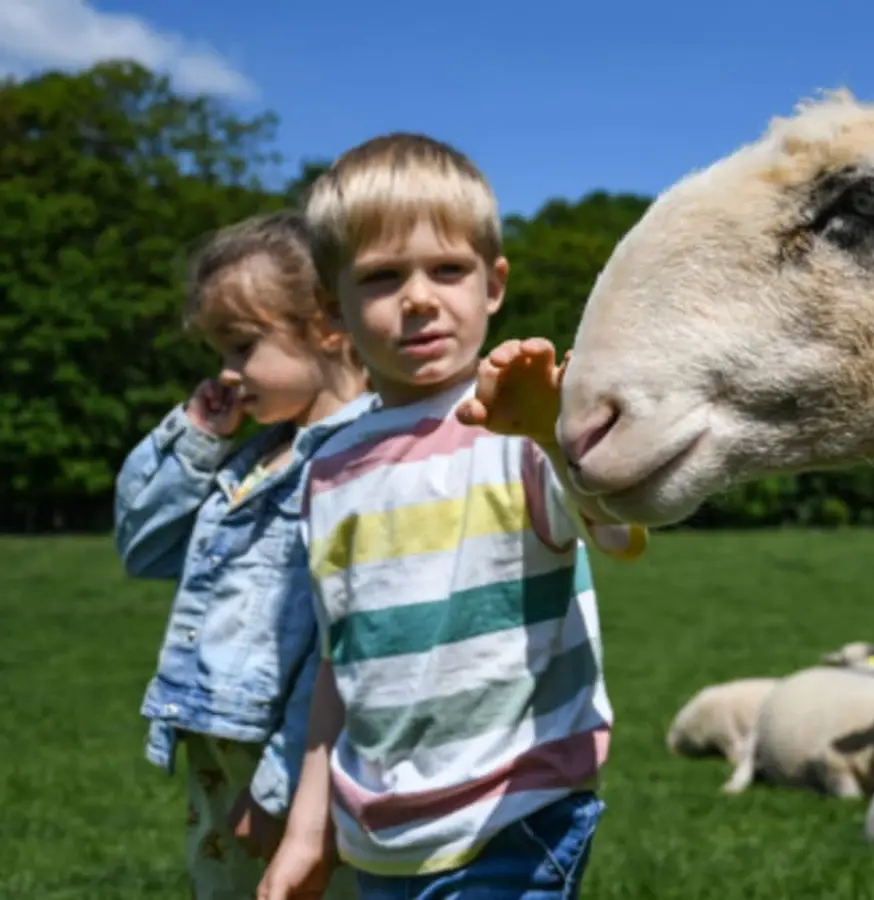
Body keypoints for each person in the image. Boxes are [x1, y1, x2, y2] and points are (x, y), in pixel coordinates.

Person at [257, 133, 649, 900]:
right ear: (333, 309)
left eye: (447, 269)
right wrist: (310, 829)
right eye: (381, 277)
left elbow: (618, 530)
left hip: (515, 814)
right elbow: (341, 665)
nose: (419, 298)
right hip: (381, 838)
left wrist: (548, 430)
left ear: (493, 284)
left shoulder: (516, 424)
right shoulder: (327, 471)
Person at [114, 210, 372, 900]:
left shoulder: (358, 463)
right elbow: (143, 546)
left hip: (290, 770)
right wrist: (197, 440)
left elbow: (341, 648)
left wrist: (280, 789)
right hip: (219, 760)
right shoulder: (252, 459)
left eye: (241, 347)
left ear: (328, 324)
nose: (227, 375)